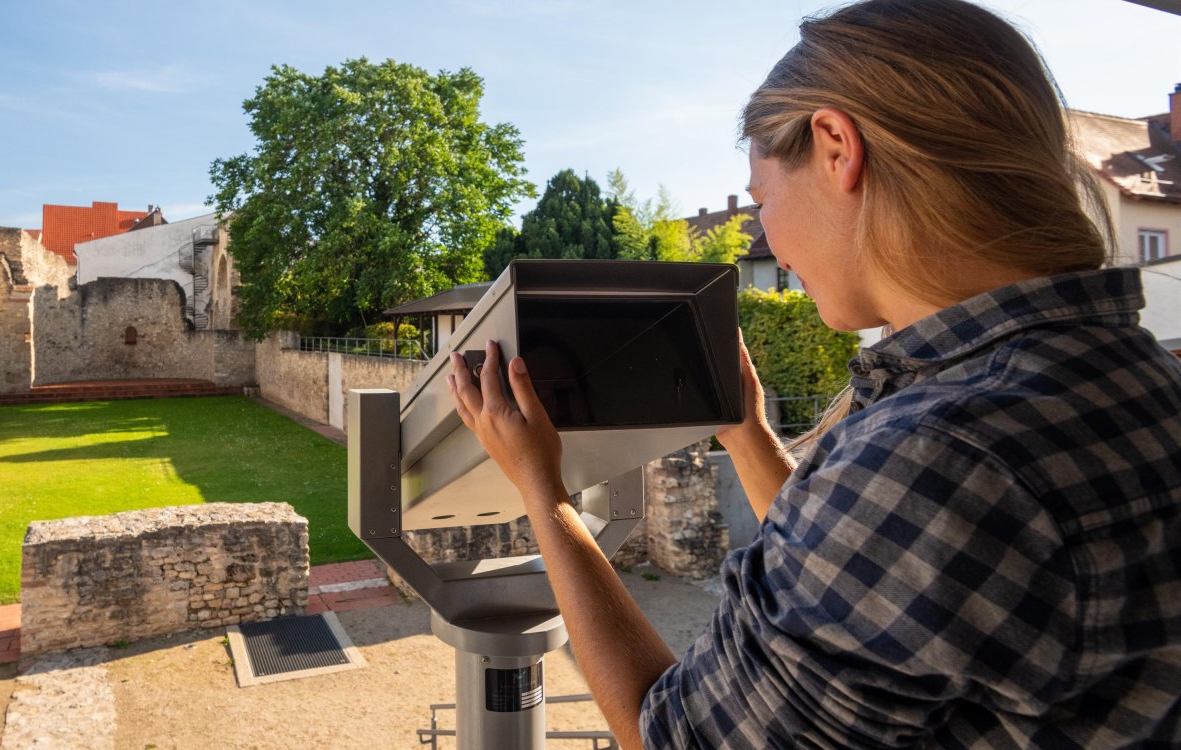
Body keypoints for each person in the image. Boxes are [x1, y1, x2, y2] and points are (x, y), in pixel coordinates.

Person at [446, 0, 1181, 747]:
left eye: (762, 197)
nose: (766, 235)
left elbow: (672, 735)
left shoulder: (940, 456)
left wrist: (542, 488)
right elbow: (878, 579)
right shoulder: (1131, 375)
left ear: (836, 147)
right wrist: (748, 434)